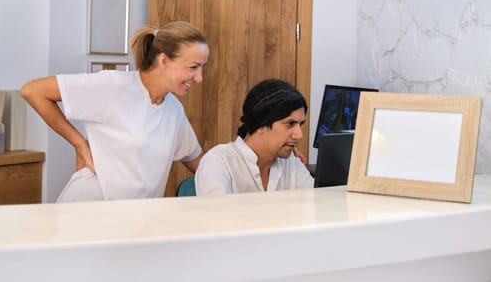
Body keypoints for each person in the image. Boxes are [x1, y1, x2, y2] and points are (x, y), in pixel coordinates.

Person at [20, 21, 209, 202]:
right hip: (87, 212)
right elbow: (33, 91)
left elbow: (195, 160)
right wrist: (79, 144)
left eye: (202, 68)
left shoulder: (173, 109)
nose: (199, 78)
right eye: (193, 67)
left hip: (133, 221)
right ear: (164, 60)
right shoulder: (115, 86)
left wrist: (233, 179)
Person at [195, 79, 314, 195]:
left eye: (300, 124)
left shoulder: (291, 162)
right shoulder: (218, 162)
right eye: (290, 124)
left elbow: (317, 206)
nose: (299, 135)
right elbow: (216, 214)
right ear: (260, 125)